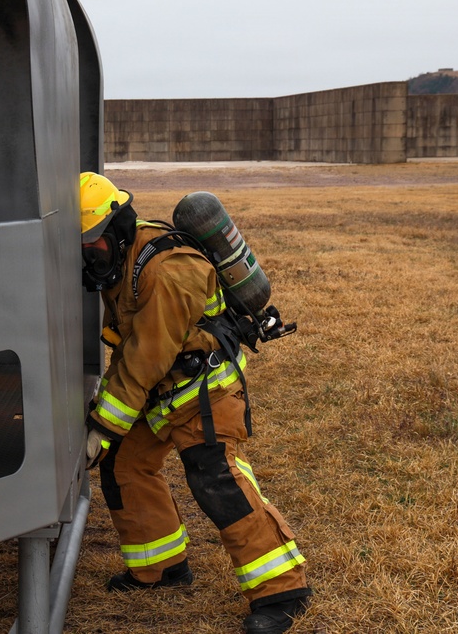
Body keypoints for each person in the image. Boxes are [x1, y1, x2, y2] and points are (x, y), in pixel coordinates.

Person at [79, 172, 312, 634]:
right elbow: (130, 349)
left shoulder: (166, 271)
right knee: (125, 465)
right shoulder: (122, 260)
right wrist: (108, 424)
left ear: (117, 230)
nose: (89, 259)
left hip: (204, 390)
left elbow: (145, 357)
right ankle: (162, 568)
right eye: (81, 250)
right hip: (160, 392)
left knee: (217, 478)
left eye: (94, 248)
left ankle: (284, 592)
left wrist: (103, 428)